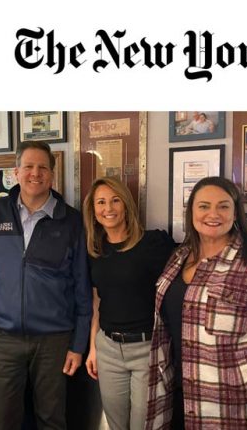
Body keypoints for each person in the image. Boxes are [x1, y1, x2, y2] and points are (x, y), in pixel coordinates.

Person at [146, 176, 247, 430]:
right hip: (178, 396)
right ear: (192, 212)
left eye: (223, 206)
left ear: (235, 212)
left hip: (233, 406)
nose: (213, 214)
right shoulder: (178, 258)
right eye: (204, 206)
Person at [0, 141, 92, 430]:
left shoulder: (71, 220)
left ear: (52, 174)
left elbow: (82, 287)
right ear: (16, 172)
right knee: (3, 420)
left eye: (43, 167)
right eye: (28, 166)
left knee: (52, 419)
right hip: (2, 337)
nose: (35, 173)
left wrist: (78, 345)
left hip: (54, 340)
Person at [83, 177, 174, 430]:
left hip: (146, 349)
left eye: (115, 200)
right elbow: (96, 300)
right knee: (116, 424)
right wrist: (93, 348)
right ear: (93, 210)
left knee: (144, 425)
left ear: (127, 205)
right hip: (108, 348)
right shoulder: (94, 250)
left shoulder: (154, 243)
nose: (108, 208)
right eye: (101, 202)